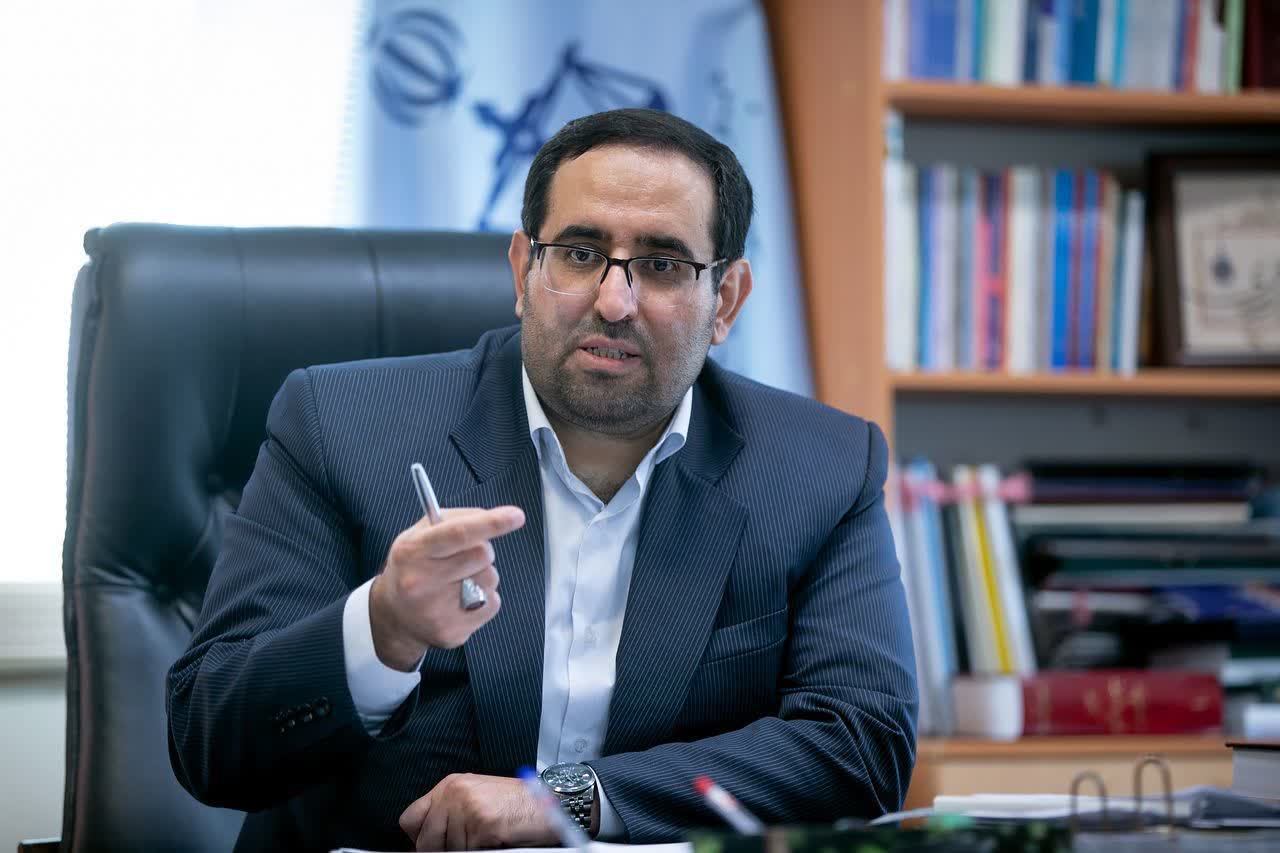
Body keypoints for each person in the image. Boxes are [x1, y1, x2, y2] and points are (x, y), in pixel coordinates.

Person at [166, 107, 917, 852]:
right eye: (580, 254)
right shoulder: (342, 426)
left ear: (724, 300)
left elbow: (861, 745)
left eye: (662, 265)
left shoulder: (819, 468)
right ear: (524, 271)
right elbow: (209, 736)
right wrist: (383, 629)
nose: (613, 302)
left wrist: (565, 800)